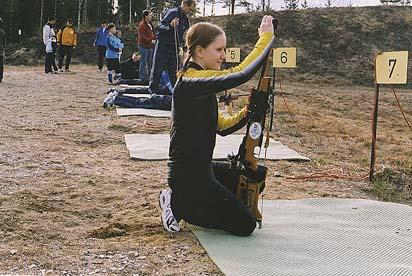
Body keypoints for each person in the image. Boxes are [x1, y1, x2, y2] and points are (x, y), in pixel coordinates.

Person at [159, 16, 276, 236]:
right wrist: (266, 37)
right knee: (245, 225)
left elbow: (220, 127)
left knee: (245, 175)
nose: (223, 56)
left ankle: (186, 197)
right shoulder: (190, 81)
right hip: (189, 175)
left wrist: (248, 112)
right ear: (200, 51)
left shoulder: (200, 82)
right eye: (219, 49)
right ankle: (177, 204)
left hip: (202, 168)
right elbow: (241, 73)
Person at [149, 0, 195, 93]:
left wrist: (184, 47)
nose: (189, 12)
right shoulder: (172, 12)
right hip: (163, 46)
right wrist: (170, 25)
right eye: (189, 9)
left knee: (174, 72)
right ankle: (153, 91)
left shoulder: (185, 19)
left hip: (174, 48)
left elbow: (185, 33)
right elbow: (160, 26)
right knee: (157, 70)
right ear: (184, 4)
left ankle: (176, 92)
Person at [103, 71, 173, 109]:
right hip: (173, 95)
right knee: (142, 101)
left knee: (142, 98)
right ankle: (115, 98)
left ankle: (116, 96)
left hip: (172, 90)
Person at [137, 10, 156, 84]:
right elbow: (142, 37)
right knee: (143, 62)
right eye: (150, 15)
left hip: (150, 47)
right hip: (144, 47)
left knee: (150, 63)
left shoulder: (150, 24)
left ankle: (149, 78)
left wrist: (154, 38)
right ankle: (142, 78)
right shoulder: (142, 25)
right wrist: (151, 40)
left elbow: (153, 33)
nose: (151, 16)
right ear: (146, 16)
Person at [0, 18, 5, 82]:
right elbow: (4, 43)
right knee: (0, 65)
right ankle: (0, 77)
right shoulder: (3, 32)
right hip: (0, 51)